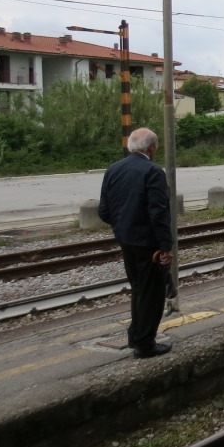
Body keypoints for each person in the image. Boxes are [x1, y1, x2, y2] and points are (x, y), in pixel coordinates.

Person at [98, 127, 174, 359]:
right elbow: (158, 212)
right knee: (152, 293)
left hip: (125, 240)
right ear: (151, 147)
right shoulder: (152, 171)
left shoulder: (114, 169)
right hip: (148, 244)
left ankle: (135, 335)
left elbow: (104, 211)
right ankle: (145, 344)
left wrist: (123, 228)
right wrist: (166, 246)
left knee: (139, 288)